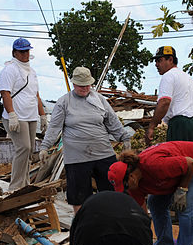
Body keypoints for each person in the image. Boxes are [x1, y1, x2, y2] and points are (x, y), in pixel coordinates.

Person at [39, 66, 131, 212]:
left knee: (112, 193)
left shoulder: (99, 99)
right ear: (74, 84)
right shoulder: (64, 102)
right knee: (79, 197)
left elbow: (112, 120)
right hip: (77, 158)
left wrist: (124, 137)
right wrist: (45, 147)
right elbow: (54, 127)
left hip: (103, 153)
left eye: (87, 85)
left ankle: (112, 224)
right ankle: (83, 227)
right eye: (81, 85)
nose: (84, 88)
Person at [108, 141, 193, 245]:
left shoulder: (154, 165)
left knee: (185, 207)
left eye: (125, 186)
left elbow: (190, 163)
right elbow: (143, 217)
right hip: (176, 171)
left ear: (131, 177)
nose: (127, 190)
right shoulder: (134, 185)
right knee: (155, 204)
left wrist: (182, 189)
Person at [147, 46, 193, 224]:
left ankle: (180, 209)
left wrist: (153, 125)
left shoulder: (168, 77)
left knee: (178, 165)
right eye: (156, 60)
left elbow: (164, 102)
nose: (157, 63)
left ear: (171, 60)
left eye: (160, 60)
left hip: (182, 123)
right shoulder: (186, 76)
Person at [0, 37, 47, 191]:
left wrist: (43, 115)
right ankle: (15, 186)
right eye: (22, 51)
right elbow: (5, 93)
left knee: (30, 150)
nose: (25, 54)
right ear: (15, 53)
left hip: (31, 115)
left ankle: (25, 183)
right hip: (17, 116)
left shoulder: (32, 72)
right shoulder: (9, 69)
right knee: (23, 148)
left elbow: (36, 95)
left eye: (27, 50)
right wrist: (12, 115)